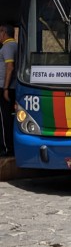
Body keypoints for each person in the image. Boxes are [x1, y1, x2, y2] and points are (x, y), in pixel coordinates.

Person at [0, 24, 17, 156]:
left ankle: (7, 147)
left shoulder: (7, 47)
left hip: (4, 88)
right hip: (11, 87)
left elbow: (9, 67)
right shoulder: (15, 46)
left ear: (4, 32)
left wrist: (5, 88)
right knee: (10, 117)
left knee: (4, 118)